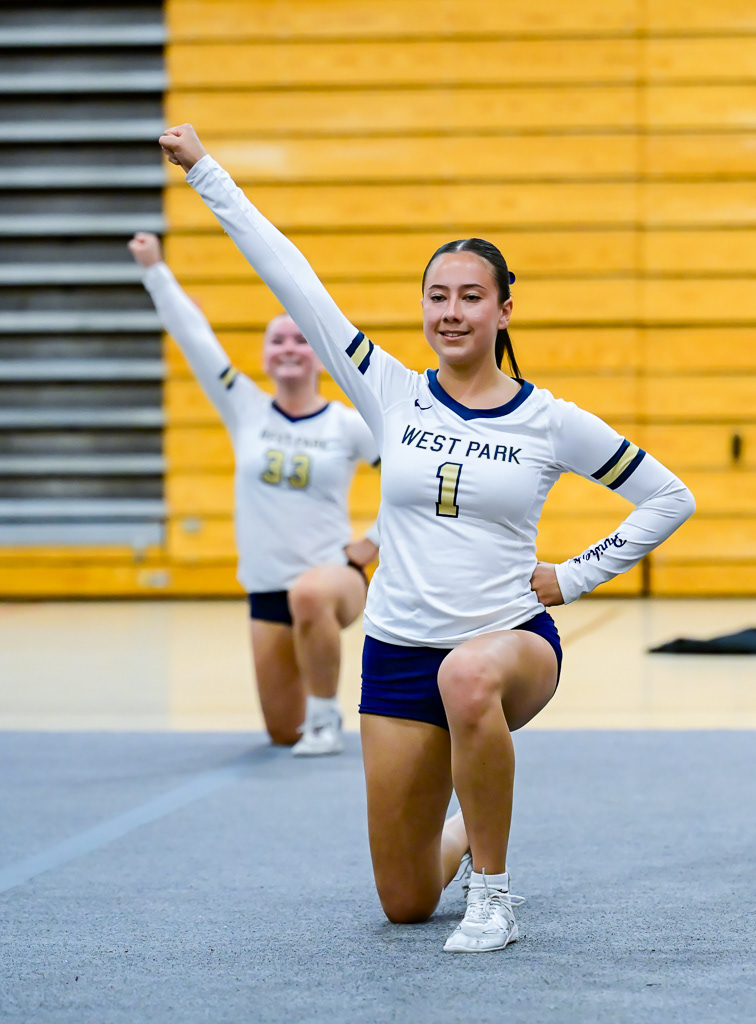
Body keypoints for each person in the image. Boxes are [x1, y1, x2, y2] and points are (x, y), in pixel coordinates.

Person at [157, 124, 696, 953]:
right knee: (404, 902)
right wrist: (205, 173)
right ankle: (469, 831)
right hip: (399, 653)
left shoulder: (550, 421)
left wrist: (575, 577)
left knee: (468, 676)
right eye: (437, 296)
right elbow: (291, 275)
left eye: (471, 296)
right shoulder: (389, 391)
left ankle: (494, 893)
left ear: (504, 309)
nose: (451, 312)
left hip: (508, 641)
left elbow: (668, 496)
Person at [128, 232, 380, 756]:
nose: (289, 348)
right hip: (267, 587)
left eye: (300, 340)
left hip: (334, 578)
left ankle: (325, 719)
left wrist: (371, 544)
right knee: (281, 731)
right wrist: (155, 270)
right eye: (277, 341)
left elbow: (415, 481)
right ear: (264, 357)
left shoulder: (347, 425)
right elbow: (194, 338)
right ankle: (305, 721)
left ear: (319, 356)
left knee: (309, 594)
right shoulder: (244, 408)